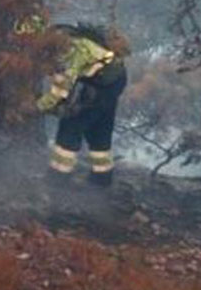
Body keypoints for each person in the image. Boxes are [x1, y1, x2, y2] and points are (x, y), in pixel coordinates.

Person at [18, 15, 129, 189]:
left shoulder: (63, 47)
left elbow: (61, 88)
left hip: (101, 85)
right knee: (99, 130)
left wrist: (37, 107)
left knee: (70, 126)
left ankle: (57, 180)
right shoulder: (63, 35)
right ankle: (102, 180)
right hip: (112, 80)